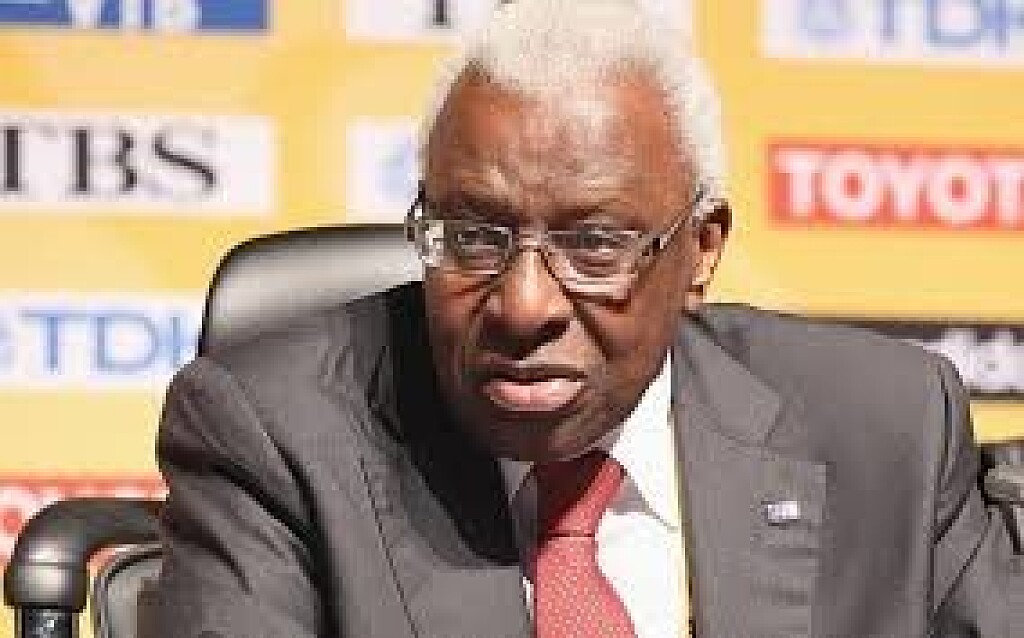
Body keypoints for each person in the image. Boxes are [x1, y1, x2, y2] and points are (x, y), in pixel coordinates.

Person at [146, 1, 1023, 636]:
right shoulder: (273, 434)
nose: (524, 305)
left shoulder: (886, 428)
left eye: (595, 245)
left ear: (701, 250)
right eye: (473, 236)